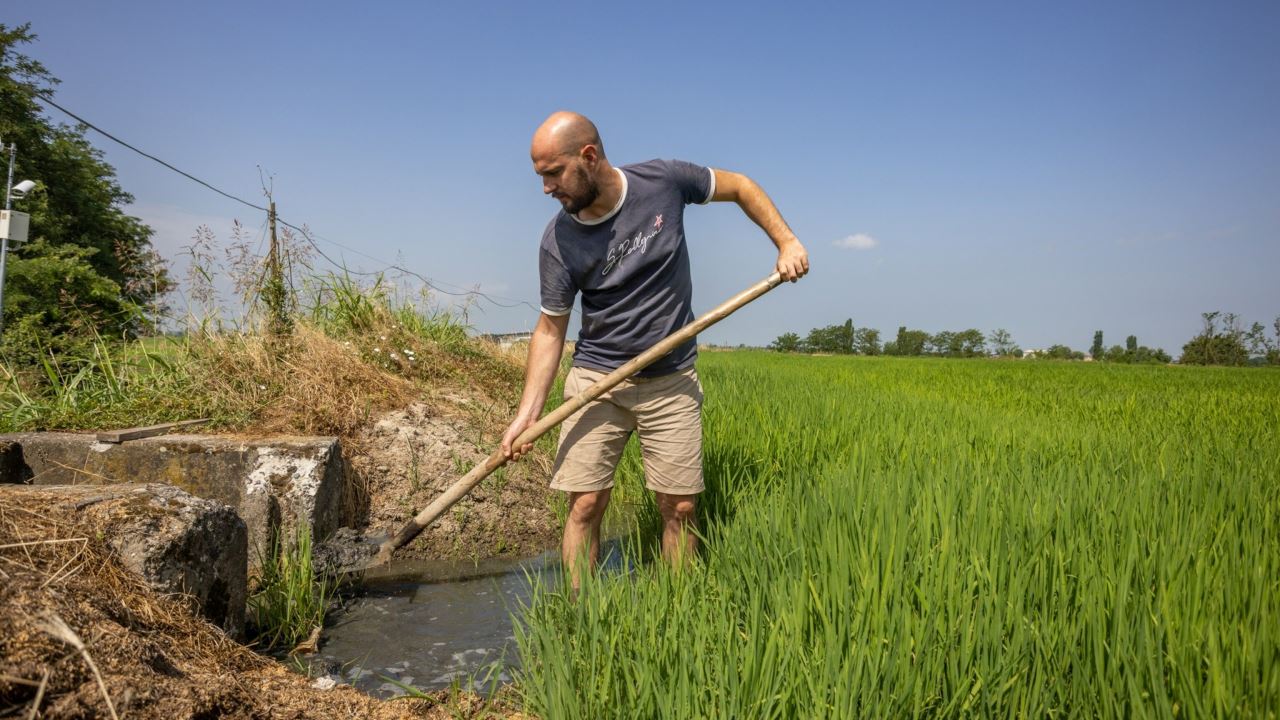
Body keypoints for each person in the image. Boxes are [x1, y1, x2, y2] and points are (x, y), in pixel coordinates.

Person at [501, 111, 808, 586]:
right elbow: (550, 330)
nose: (546, 189)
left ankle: (678, 610)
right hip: (597, 382)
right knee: (584, 503)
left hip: (671, 379)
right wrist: (527, 414)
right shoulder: (558, 241)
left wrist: (786, 242)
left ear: (589, 156)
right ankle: (581, 616)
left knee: (680, 506)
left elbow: (742, 186)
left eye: (552, 173)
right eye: (540, 175)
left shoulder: (663, 181)